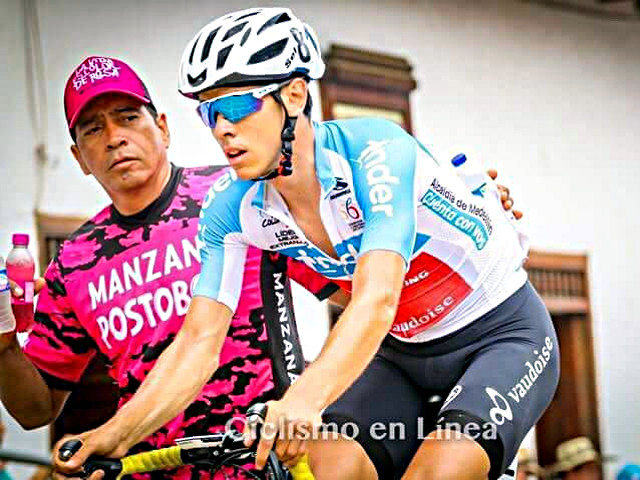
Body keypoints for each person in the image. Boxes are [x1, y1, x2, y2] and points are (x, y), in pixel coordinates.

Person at [51, 12, 531, 480]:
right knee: (328, 468)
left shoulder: (376, 152)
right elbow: (199, 343)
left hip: (497, 334)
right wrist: (112, 436)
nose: (221, 128)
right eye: (209, 111)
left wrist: (302, 399)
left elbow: (376, 299)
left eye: (237, 106)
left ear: (295, 94)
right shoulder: (229, 207)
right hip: (402, 353)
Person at [0, 55, 340, 479]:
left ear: (162, 128)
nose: (114, 138)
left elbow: (350, 293)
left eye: (128, 117)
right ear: (79, 157)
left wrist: (314, 398)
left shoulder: (239, 197)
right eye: (93, 128)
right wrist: (5, 346)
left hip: (267, 462)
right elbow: (35, 411)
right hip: (149, 468)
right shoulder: (73, 263)